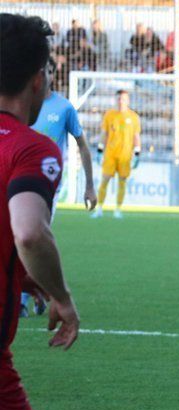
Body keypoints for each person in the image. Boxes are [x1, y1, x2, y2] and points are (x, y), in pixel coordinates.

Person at [0, 13, 81, 410]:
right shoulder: (30, 147)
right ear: (38, 80)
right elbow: (29, 232)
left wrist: (22, 281)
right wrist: (61, 296)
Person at [25, 57, 97, 317]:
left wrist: (90, 186)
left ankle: (27, 295)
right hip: (17, 179)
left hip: (48, 184)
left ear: (53, 75)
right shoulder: (22, 104)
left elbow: (83, 145)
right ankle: (33, 291)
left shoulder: (64, 108)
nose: (44, 76)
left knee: (33, 235)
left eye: (49, 71)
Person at [93, 90, 141, 219]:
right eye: (119, 99)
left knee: (122, 182)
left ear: (128, 101)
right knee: (105, 180)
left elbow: (136, 136)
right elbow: (104, 134)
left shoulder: (134, 117)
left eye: (123, 99)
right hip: (110, 154)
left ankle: (118, 209)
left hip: (125, 156)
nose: (121, 101)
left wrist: (137, 153)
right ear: (116, 100)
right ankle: (99, 208)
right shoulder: (109, 115)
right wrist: (100, 149)